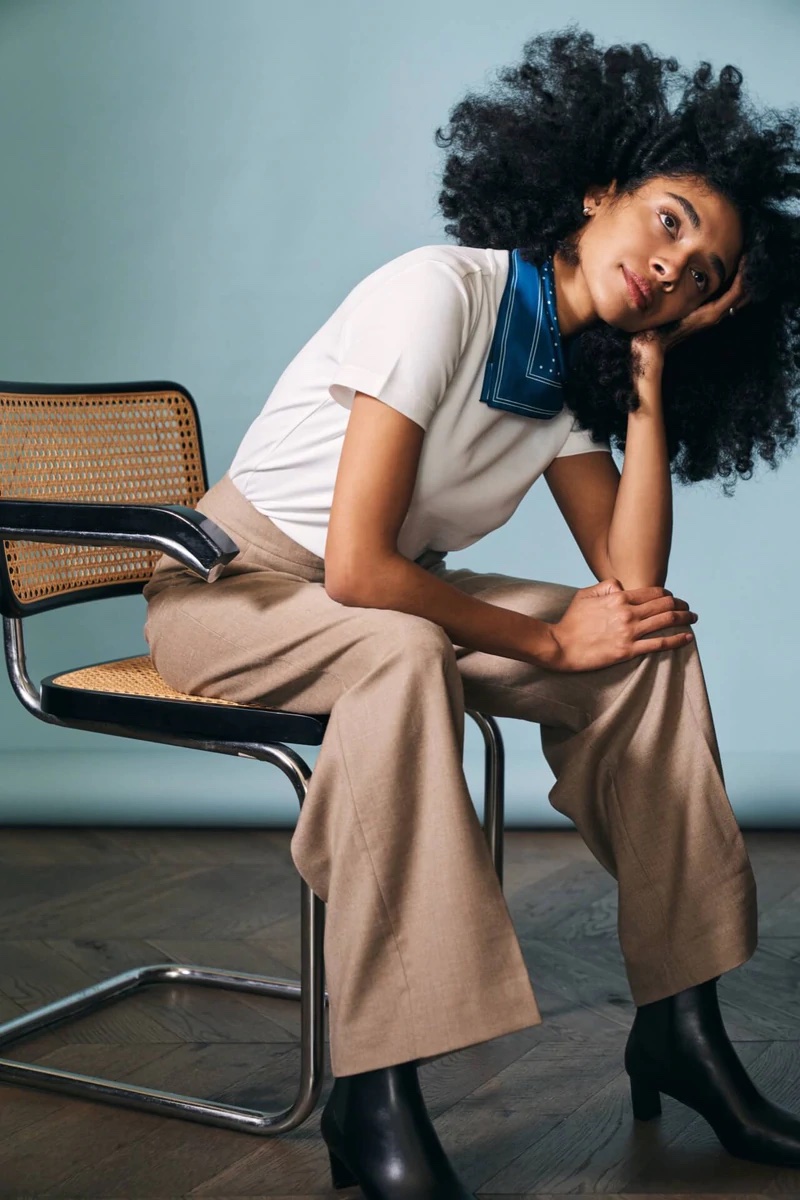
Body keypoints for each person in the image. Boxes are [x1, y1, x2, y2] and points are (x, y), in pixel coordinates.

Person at [142, 26, 800, 1200]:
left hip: (379, 600)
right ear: (597, 193)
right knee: (398, 647)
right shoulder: (439, 293)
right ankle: (376, 1089)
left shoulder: (571, 376)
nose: (672, 267)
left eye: (702, 274)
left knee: (646, 648)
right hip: (231, 588)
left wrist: (648, 377)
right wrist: (546, 640)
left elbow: (629, 581)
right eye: (667, 222)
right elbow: (355, 568)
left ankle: (681, 1028)